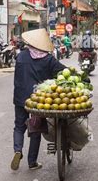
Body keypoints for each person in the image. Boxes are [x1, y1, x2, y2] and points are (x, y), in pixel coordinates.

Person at [11, 29, 66, 171]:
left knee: (19, 126)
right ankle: (32, 162)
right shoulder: (48, 59)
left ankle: (17, 150)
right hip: (39, 100)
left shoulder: (22, 56)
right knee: (35, 128)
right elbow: (63, 72)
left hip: (20, 97)